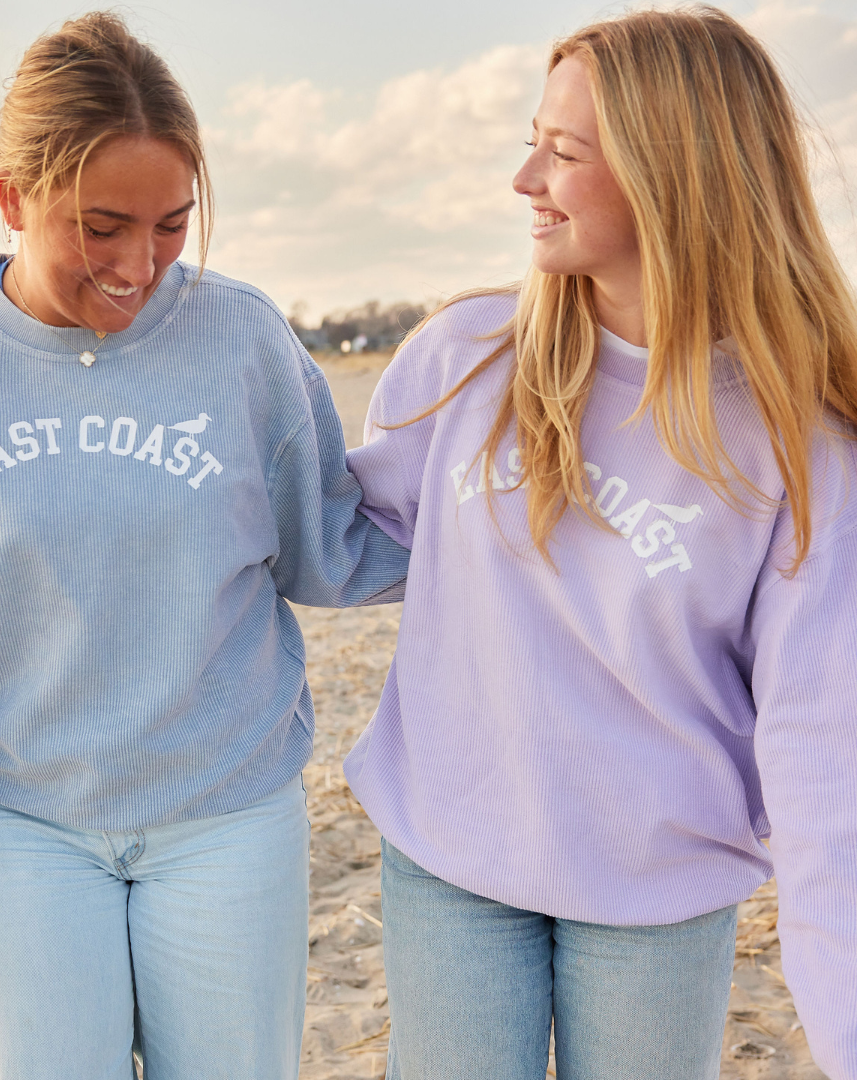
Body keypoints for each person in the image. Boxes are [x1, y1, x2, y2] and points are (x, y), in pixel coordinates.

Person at [0, 13, 408, 1080]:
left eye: (172, 225)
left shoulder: (242, 338)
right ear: (11, 196)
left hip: (228, 810)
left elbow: (326, 545)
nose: (140, 266)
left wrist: (498, 514)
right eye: (101, 227)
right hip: (27, 822)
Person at [344, 7, 857, 1079]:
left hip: (658, 888)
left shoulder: (803, 441)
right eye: (532, 141)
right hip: (452, 853)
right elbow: (347, 541)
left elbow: (821, 742)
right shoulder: (464, 356)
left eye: (565, 153)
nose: (524, 178)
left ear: (676, 180)